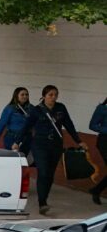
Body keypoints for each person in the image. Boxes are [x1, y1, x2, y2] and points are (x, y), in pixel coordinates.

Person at [19, 85, 88, 214]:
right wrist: (17, 142)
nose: (53, 97)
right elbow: (26, 126)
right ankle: (42, 203)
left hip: (56, 144)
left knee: (50, 174)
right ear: (44, 95)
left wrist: (79, 141)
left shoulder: (60, 108)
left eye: (55, 94)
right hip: (40, 144)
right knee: (43, 171)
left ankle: (44, 198)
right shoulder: (36, 110)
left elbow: (69, 125)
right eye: (50, 95)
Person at [90, 97, 107, 204]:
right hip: (105, 142)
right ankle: (96, 190)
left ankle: (96, 190)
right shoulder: (102, 108)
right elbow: (92, 125)